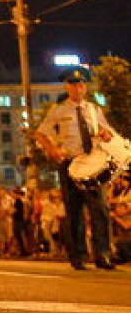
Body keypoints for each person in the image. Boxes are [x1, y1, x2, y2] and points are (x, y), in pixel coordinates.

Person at [34, 66, 119, 270]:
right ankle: (78, 256)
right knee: (74, 211)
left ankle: (103, 254)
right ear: (67, 86)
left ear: (85, 87)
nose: (78, 88)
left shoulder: (94, 109)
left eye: (81, 84)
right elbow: (40, 133)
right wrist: (52, 149)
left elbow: (106, 130)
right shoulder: (59, 110)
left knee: (100, 209)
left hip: (92, 164)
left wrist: (106, 135)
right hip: (70, 163)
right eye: (73, 84)